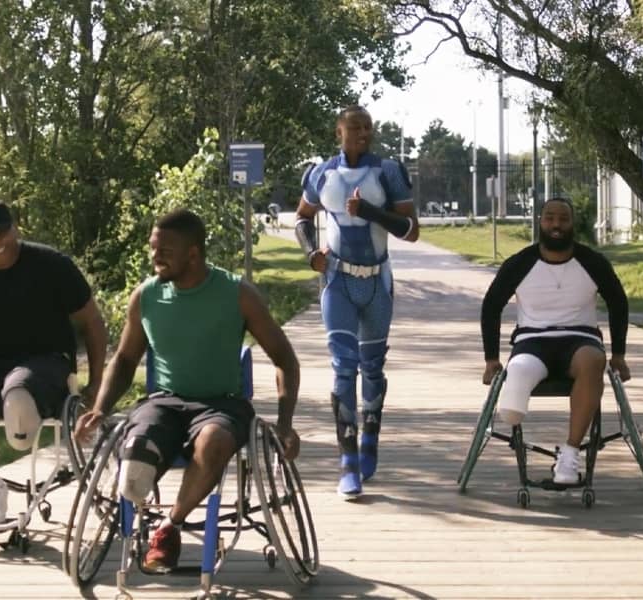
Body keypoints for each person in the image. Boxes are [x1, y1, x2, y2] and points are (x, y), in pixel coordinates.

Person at [75, 208, 300, 572]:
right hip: (164, 402)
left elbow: (285, 360)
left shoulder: (237, 294)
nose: (155, 256)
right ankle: (140, 523)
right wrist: (101, 407)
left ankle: (168, 528)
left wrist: (285, 423)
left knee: (212, 443)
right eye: (153, 248)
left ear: (193, 253)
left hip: (222, 406)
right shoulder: (146, 297)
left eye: (164, 250)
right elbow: (126, 360)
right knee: (134, 453)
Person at [0, 198, 107, 524]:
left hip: (46, 358)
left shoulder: (53, 265)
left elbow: (92, 322)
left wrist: (96, 382)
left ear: (14, 229)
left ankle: (18, 418)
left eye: (1, 233)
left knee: (18, 391)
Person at [294, 105, 418, 499]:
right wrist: (311, 251)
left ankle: (370, 438)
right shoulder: (321, 173)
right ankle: (347, 460)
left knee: (372, 368)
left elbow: (411, 231)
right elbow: (301, 218)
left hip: (377, 283)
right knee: (344, 370)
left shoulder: (388, 171)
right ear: (339, 132)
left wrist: (369, 211)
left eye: (368, 127)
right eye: (355, 127)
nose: (364, 133)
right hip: (338, 282)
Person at [481, 197, 630, 484]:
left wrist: (619, 355)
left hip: (580, 340)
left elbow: (618, 303)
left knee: (594, 360)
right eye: (550, 218)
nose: (556, 225)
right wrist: (491, 360)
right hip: (532, 341)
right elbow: (491, 306)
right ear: (540, 221)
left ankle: (570, 457)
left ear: (573, 223)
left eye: (563, 219)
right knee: (515, 393)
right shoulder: (520, 263)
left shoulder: (592, 262)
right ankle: (513, 398)